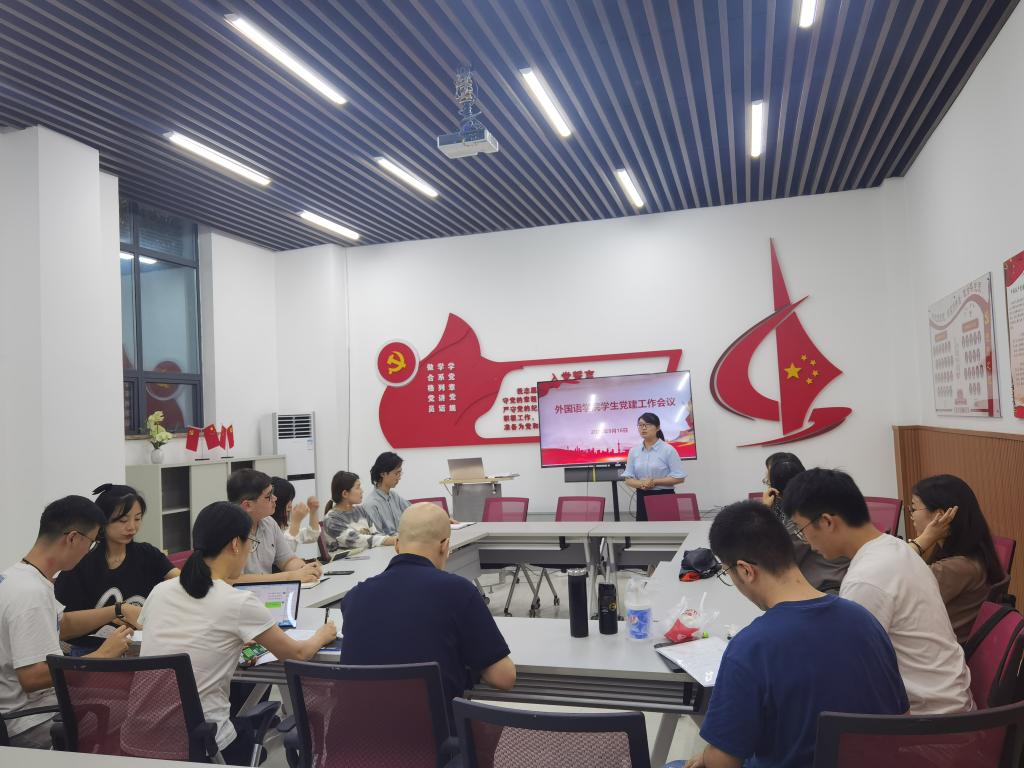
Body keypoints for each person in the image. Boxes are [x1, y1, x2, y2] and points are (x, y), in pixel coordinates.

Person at [678, 501, 907, 768]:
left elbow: (723, 764)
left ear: (745, 570)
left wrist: (710, 755)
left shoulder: (750, 648)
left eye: (728, 573)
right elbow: (902, 719)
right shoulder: (865, 620)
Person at [140, 502, 336, 765]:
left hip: (141, 736)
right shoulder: (237, 602)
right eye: (250, 543)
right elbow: (298, 654)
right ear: (235, 544)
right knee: (254, 742)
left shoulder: (159, 591)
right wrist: (323, 634)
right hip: (203, 741)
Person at [783, 468, 974, 714]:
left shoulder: (866, 579)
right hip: (950, 701)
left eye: (801, 529)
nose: (806, 541)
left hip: (930, 720)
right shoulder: (895, 547)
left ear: (827, 522)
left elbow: (851, 675)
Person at [340, 503, 515, 724]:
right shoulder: (458, 591)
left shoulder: (355, 596)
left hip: (356, 739)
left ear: (397, 545)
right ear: (445, 546)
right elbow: (504, 678)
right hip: (432, 740)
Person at [0, 496, 137, 749]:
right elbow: (32, 677)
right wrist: (100, 655)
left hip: (31, 711)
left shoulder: (16, 577)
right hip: (31, 722)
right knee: (135, 716)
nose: (89, 551)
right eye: (92, 542)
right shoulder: (31, 594)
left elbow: (60, 624)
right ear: (73, 538)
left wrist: (117, 610)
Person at [55, 484, 178, 637]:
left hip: (143, 644)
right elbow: (61, 627)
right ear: (102, 521)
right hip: (92, 648)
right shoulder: (80, 564)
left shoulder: (148, 554)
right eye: (123, 520)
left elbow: (183, 582)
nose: (132, 527)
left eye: (137, 518)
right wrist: (117, 612)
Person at [907, 474, 1004, 641]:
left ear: (939, 515)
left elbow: (892, 575)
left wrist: (922, 541)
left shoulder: (956, 568)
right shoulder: (970, 554)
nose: (911, 515)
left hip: (937, 649)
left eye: (914, 509)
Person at [762, 456, 848, 592]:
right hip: (846, 575)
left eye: (767, 481)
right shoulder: (825, 495)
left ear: (775, 490)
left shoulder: (796, 518)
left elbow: (776, 563)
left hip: (827, 587)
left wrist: (764, 511)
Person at [228, 469, 321, 585]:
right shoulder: (229, 531)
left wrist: (305, 569)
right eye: (269, 496)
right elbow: (232, 579)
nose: (275, 498)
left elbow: (288, 560)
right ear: (248, 505)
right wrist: (288, 577)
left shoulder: (269, 523)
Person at [621, 412, 687, 521]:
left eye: (647, 424)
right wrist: (642, 483)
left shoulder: (668, 450)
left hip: (664, 497)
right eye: (640, 425)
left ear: (658, 428)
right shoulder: (634, 451)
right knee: (644, 530)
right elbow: (628, 479)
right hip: (642, 497)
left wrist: (654, 482)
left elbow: (679, 478)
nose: (643, 428)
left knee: (667, 530)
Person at [322, 471, 395, 555]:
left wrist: (391, 539)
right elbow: (358, 540)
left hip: (369, 556)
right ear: (345, 494)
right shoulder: (331, 520)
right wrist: (391, 540)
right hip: (345, 561)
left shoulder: (361, 510)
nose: (362, 491)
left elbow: (375, 533)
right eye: (358, 487)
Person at [360, 451, 411, 535]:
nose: (399, 477)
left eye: (400, 472)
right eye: (396, 473)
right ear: (383, 474)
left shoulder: (395, 496)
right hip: (391, 542)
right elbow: (377, 537)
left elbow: (413, 512)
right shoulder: (371, 505)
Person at [269, 476, 320, 547]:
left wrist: (313, 511)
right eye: (287, 501)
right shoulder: (266, 526)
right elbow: (286, 550)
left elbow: (312, 536)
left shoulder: (283, 525)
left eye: (291, 500)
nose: (290, 506)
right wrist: (296, 522)